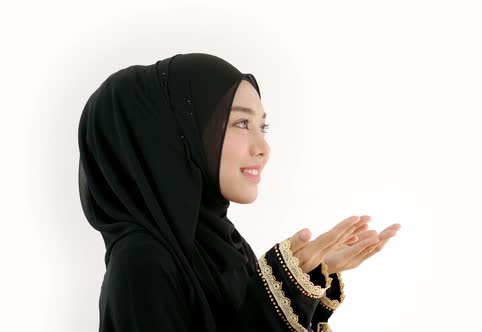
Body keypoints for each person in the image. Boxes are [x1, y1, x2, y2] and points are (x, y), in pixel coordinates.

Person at [77, 52, 401, 332]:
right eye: (241, 124)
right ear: (176, 139)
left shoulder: (222, 247)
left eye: (263, 126)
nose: (263, 148)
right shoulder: (142, 265)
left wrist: (306, 278)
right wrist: (280, 290)